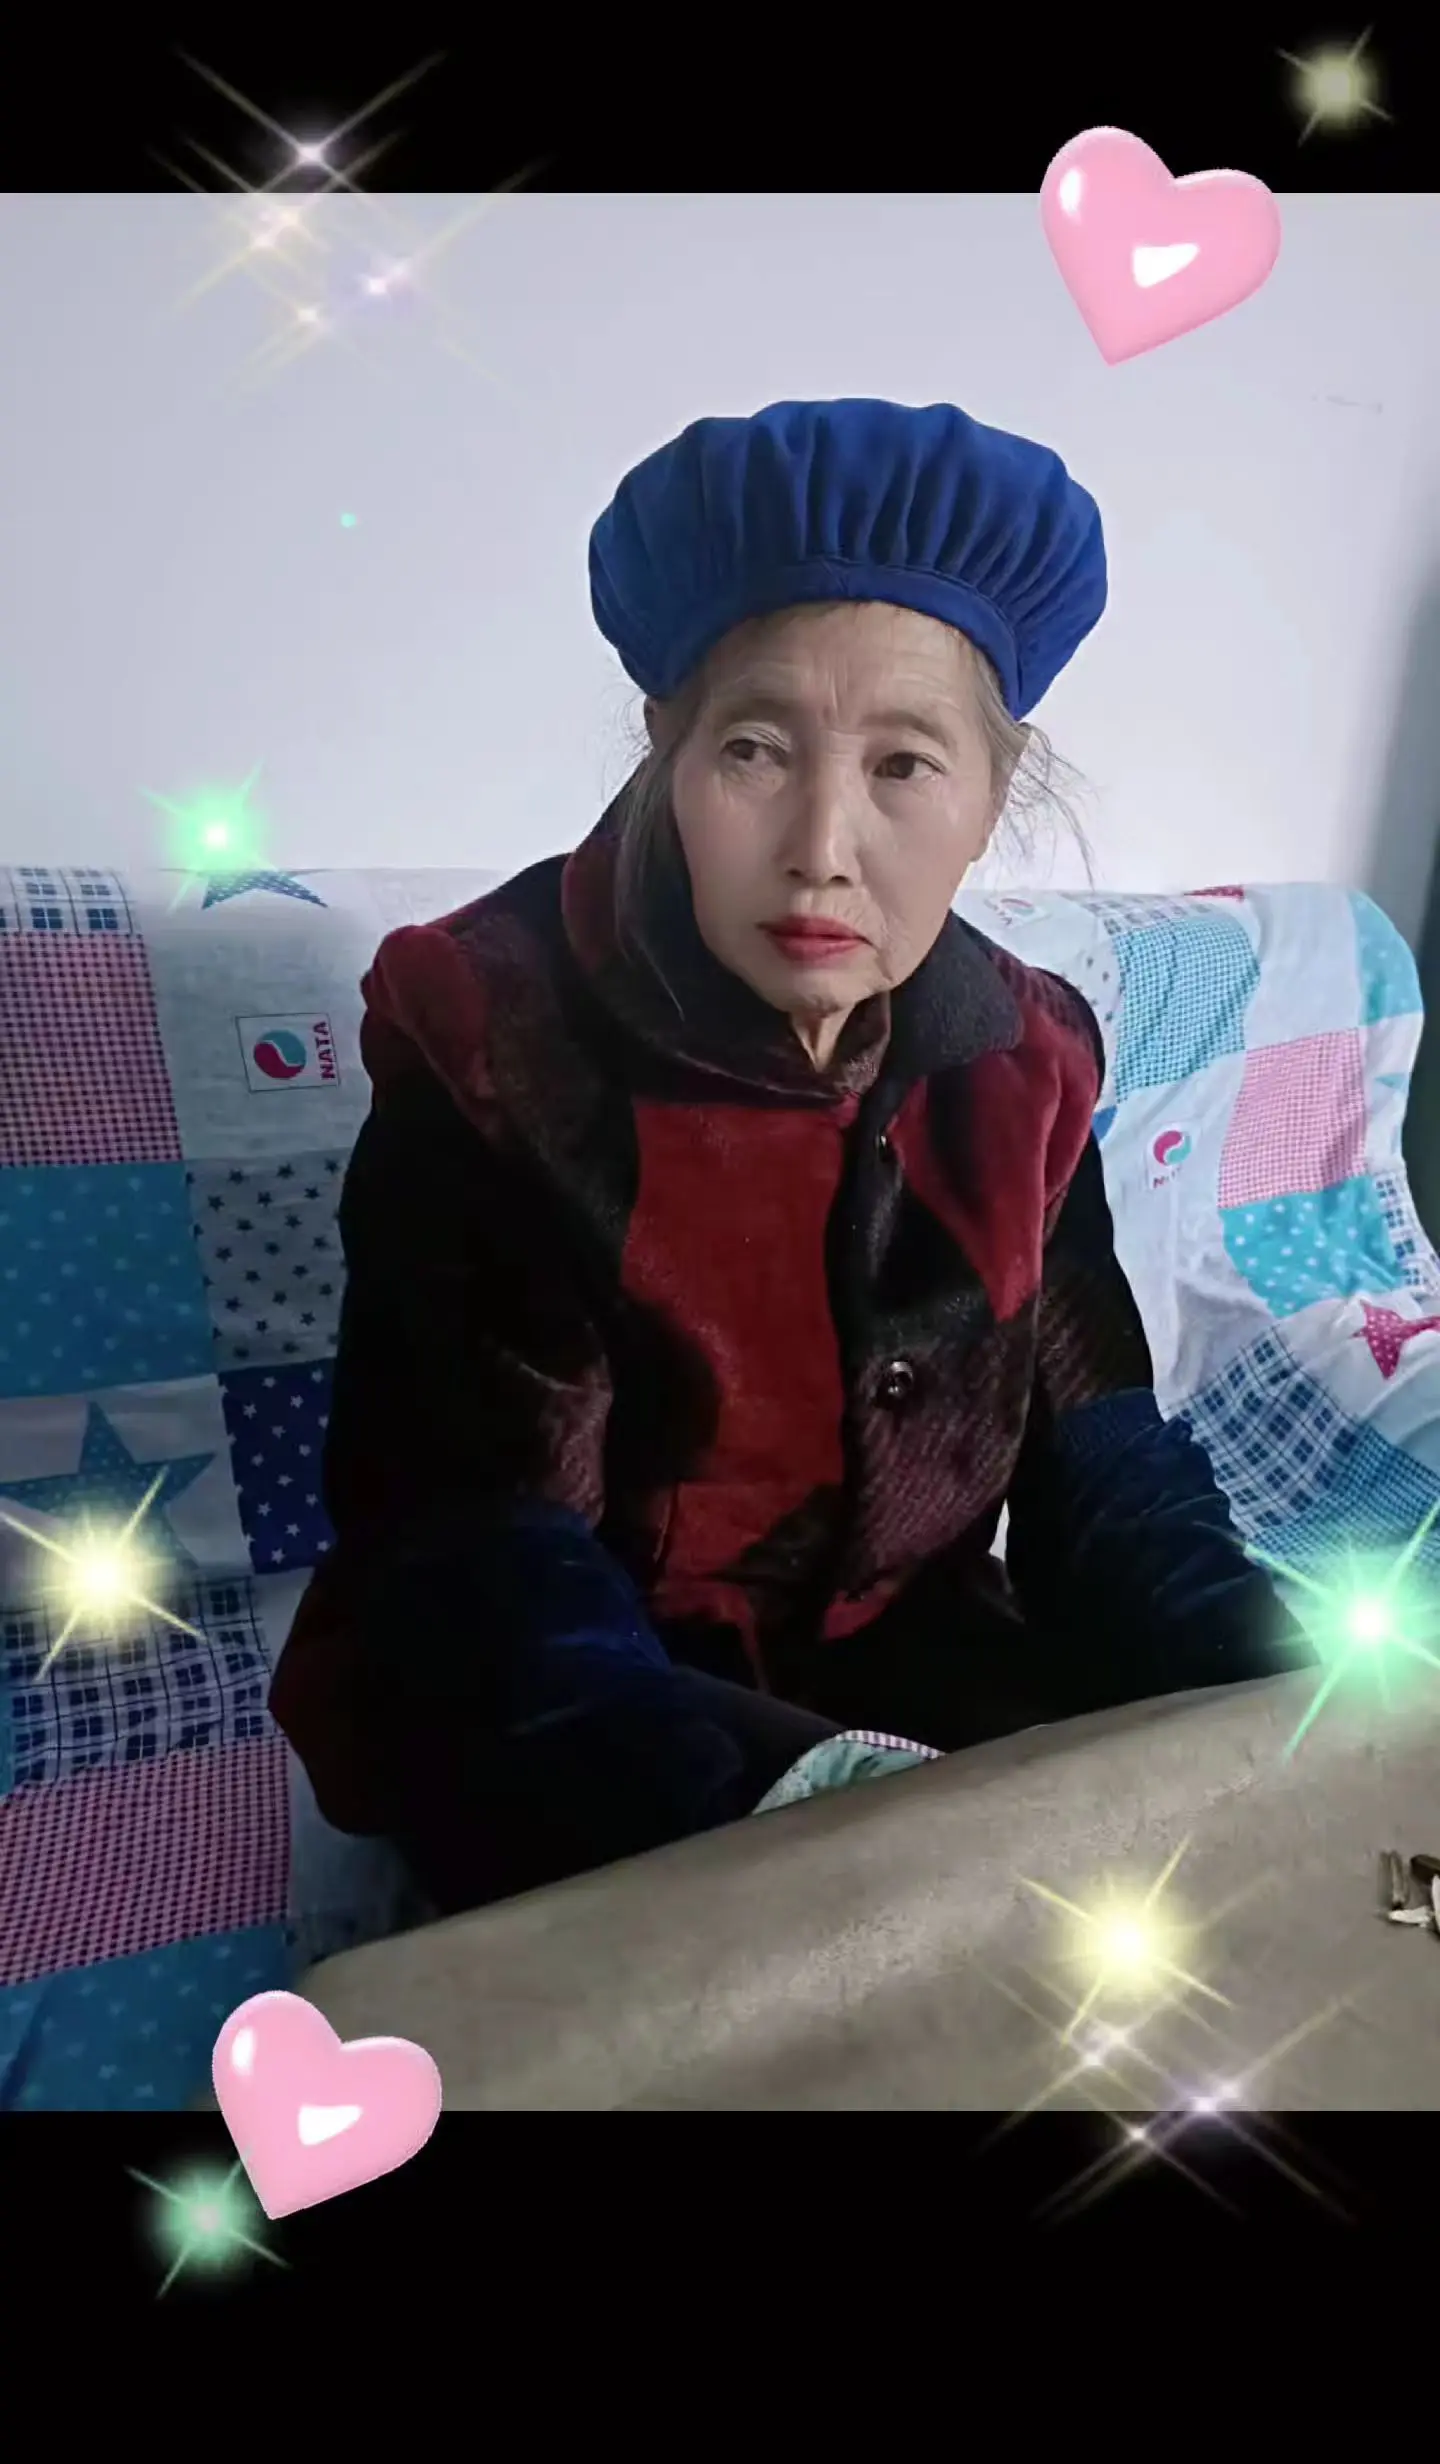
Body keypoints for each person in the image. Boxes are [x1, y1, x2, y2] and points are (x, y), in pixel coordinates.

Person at [269, 396, 1307, 1915]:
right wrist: (798, 1812)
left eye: (905, 765)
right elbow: (477, 1549)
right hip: (557, 1712)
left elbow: (1106, 1474)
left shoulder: (1025, 1068)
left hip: (916, 1686)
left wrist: (1282, 1705)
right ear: (668, 750)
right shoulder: (491, 1045)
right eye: (756, 749)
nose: (823, 844)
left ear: (993, 796)